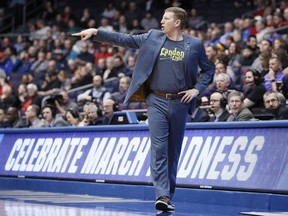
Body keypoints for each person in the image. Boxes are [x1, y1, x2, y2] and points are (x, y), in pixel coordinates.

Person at [72, 6, 214, 212]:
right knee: (158, 149)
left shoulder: (194, 44)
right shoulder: (153, 36)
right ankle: (162, 195)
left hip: (180, 102)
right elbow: (126, 39)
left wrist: (197, 90)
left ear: (177, 23)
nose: (161, 21)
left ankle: (168, 195)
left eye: (166, 18)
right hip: (156, 100)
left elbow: (208, 70)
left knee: (173, 151)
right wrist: (97, 33)